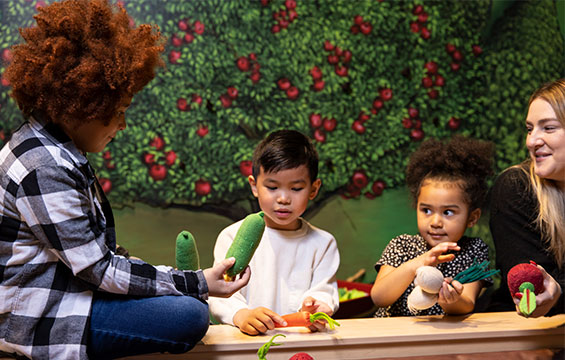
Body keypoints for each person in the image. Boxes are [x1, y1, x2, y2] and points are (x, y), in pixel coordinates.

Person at [0, 1, 249, 359]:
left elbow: (96, 260)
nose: (122, 124)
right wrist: (198, 283)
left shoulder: (53, 149)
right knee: (190, 314)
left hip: (72, 294)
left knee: (178, 304)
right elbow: (98, 270)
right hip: (42, 320)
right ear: (83, 104)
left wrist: (176, 283)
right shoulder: (44, 167)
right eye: (117, 111)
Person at [208, 129, 340, 335]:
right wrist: (241, 315)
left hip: (301, 341)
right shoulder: (232, 237)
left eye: (296, 189)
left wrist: (316, 307)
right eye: (272, 187)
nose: (283, 199)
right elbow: (221, 293)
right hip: (243, 342)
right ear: (254, 186)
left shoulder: (323, 243)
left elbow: (324, 290)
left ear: (314, 189)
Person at [371, 135, 495, 317]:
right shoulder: (402, 245)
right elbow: (379, 297)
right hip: (393, 338)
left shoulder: (473, 251)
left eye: (448, 212)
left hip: (441, 340)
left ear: (472, 217)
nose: (435, 222)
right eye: (426, 210)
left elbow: (467, 304)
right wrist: (416, 264)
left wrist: (451, 300)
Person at [488, 79, 564, 317]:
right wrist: (556, 291)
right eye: (530, 129)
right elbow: (530, 289)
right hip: (526, 332)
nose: (531, 141)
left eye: (548, 128)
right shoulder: (516, 186)